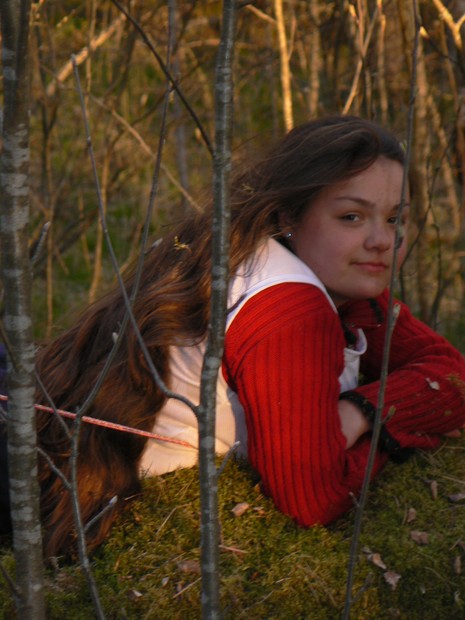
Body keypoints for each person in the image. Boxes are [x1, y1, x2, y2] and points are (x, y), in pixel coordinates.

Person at [1, 115, 465, 557]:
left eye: (395, 219)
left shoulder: (258, 252)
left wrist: (362, 410)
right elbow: (312, 499)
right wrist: (387, 434)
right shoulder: (291, 309)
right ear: (289, 215)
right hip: (92, 510)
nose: (382, 240)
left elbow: (452, 373)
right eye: (351, 217)